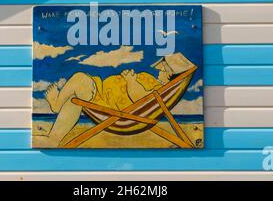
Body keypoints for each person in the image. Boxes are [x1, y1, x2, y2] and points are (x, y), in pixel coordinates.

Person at [42, 52, 194, 147]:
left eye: (164, 67)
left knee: (79, 78)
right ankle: (53, 138)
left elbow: (140, 97)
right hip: (104, 96)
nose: (160, 69)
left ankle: (56, 105)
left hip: (110, 108)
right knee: (73, 98)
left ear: (169, 73)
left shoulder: (156, 88)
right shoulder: (158, 87)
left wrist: (130, 80)